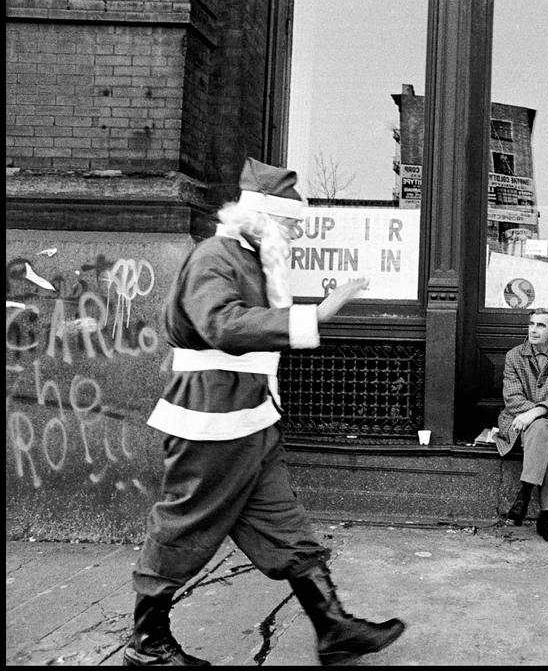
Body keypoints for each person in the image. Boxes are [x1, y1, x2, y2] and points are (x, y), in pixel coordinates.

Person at [124, 158, 405, 666]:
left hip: (251, 418)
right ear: (264, 219)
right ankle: (148, 645)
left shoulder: (251, 260)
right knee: (185, 525)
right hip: (210, 417)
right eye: (292, 222)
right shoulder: (215, 255)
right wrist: (314, 315)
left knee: (284, 523)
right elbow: (222, 326)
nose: (298, 231)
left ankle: (333, 627)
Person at [495, 307, 548, 545]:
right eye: (531, 324)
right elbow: (512, 398)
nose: (533, 329)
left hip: (544, 420)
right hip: (518, 420)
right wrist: (545, 414)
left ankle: (525, 493)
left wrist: (537, 413)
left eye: (540, 325)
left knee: (541, 429)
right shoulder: (514, 356)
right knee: (546, 439)